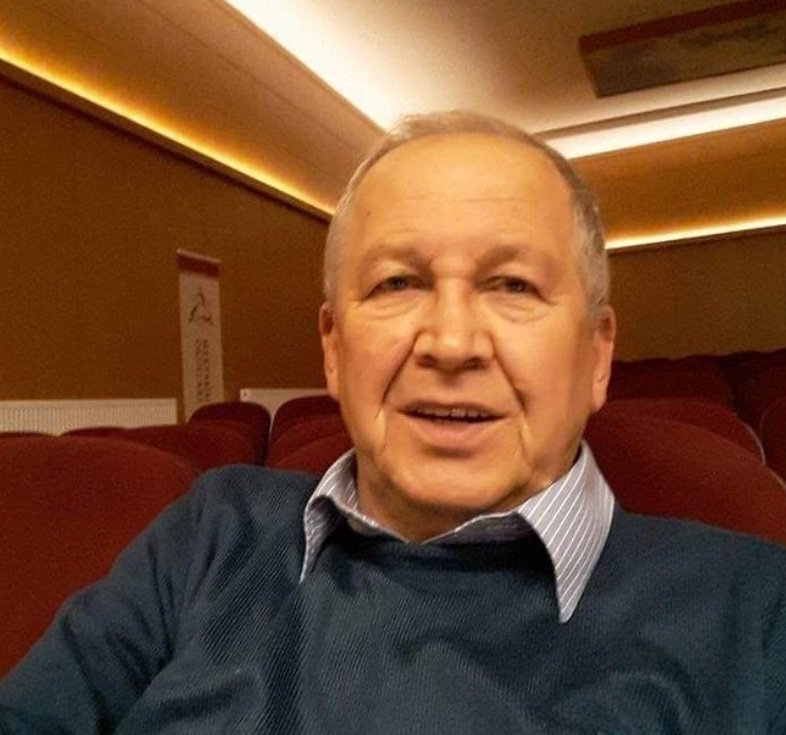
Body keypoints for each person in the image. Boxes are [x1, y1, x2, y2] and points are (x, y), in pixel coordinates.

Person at [1, 111, 785, 733]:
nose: (451, 342)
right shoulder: (209, 532)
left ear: (597, 354)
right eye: (397, 284)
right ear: (333, 348)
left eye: (512, 285)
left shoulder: (755, 609)